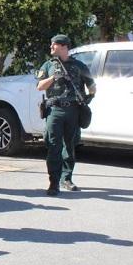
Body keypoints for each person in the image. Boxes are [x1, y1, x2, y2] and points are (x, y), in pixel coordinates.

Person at [36, 34, 96, 196]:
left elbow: (92, 86)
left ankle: (66, 178)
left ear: (63, 46)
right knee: (53, 146)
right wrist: (53, 78)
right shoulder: (48, 65)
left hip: (73, 111)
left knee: (69, 146)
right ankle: (53, 182)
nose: (51, 48)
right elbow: (40, 86)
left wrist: (85, 102)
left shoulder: (79, 66)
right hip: (54, 110)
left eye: (53, 45)